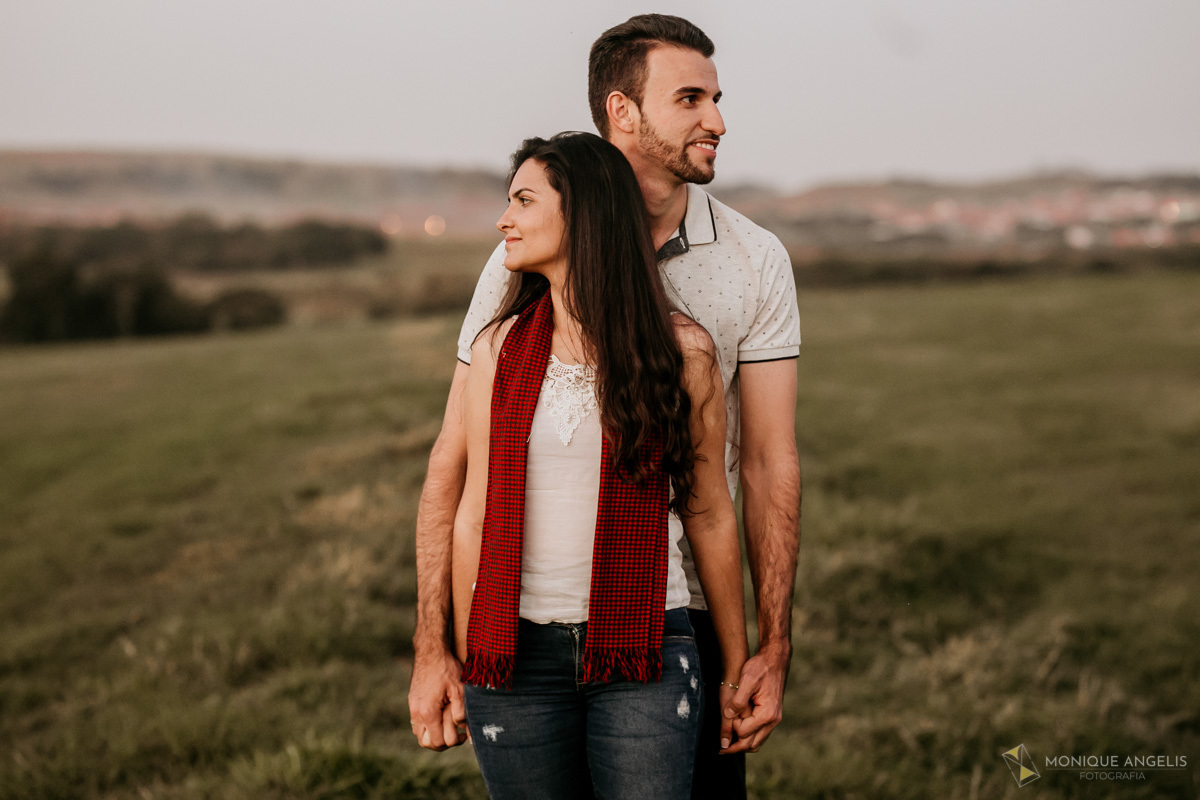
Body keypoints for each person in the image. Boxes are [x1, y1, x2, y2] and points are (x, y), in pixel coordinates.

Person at [409, 14, 803, 799]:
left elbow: (764, 464)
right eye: (690, 98)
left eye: (716, 99)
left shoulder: (753, 261)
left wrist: (767, 647)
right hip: (519, 630)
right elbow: (458, 468)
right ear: (622, 110)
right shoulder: (517, 270)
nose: (717, 121)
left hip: (677, 619)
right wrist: (434, 644)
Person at [451, 131, 747, 800]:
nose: (505, 219)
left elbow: (708, 514)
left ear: (583, 213)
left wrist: (735, 666)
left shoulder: (682, 353)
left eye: (524, 200)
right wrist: (470, 654)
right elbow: (473, 516)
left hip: (644, 651)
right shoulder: (498, 349)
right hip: (515, 661)